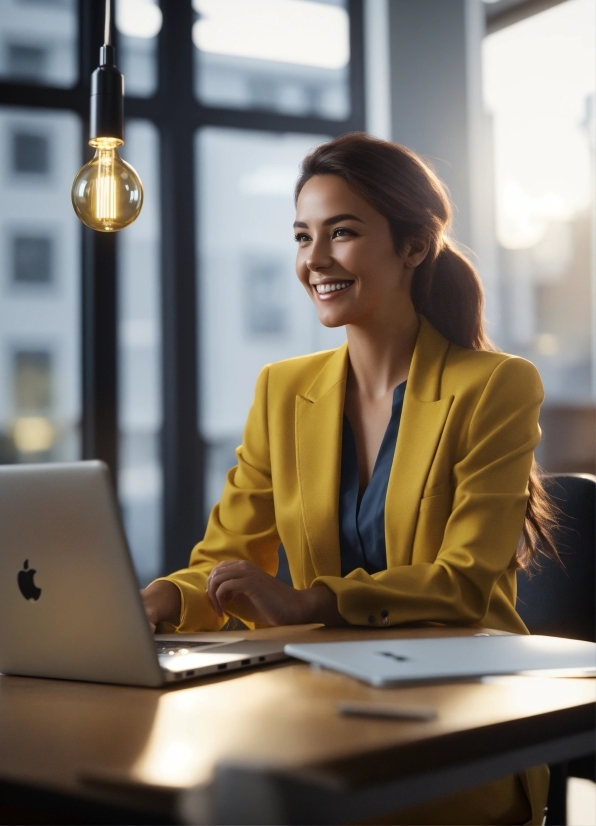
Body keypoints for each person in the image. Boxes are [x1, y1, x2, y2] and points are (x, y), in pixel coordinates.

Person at [142, 133, 557, 824]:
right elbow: (226, 563)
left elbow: (462, 583)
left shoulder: (496, 386)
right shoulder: (283, 390)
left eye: (343, 233)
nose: (315, 260)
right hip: (317, 702)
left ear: (414, 246)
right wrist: (163, 599)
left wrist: (310, 603)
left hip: (462, 713)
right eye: (303, 236)